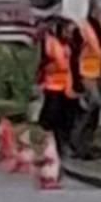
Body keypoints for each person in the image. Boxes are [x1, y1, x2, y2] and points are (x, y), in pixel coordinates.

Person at [35, 15, 79, 152]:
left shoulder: (69, 44)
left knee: (67, 118)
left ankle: (62, 143)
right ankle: (45, 143)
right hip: (53, 85)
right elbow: (59, 63)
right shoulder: (51, 42)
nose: (70, 34)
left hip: (68, 86)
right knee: (51, 116)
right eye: (67, 30)